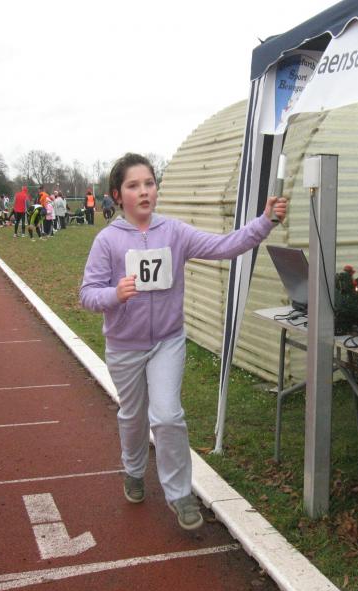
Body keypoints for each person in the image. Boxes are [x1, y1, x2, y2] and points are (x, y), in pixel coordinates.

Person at [79, 153, 288, 530]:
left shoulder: (174, 232)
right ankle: (134, 470)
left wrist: (265, 221)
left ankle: (179, 494)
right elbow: (87, 294)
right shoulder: (107, 241)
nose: (144, 191)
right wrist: (115, 294)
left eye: (149, 183)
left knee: (167, 415)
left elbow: (225, 246)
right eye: (133, 185)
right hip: (124, 346)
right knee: (133, 415)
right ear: (117, 195)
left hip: (167, 342)